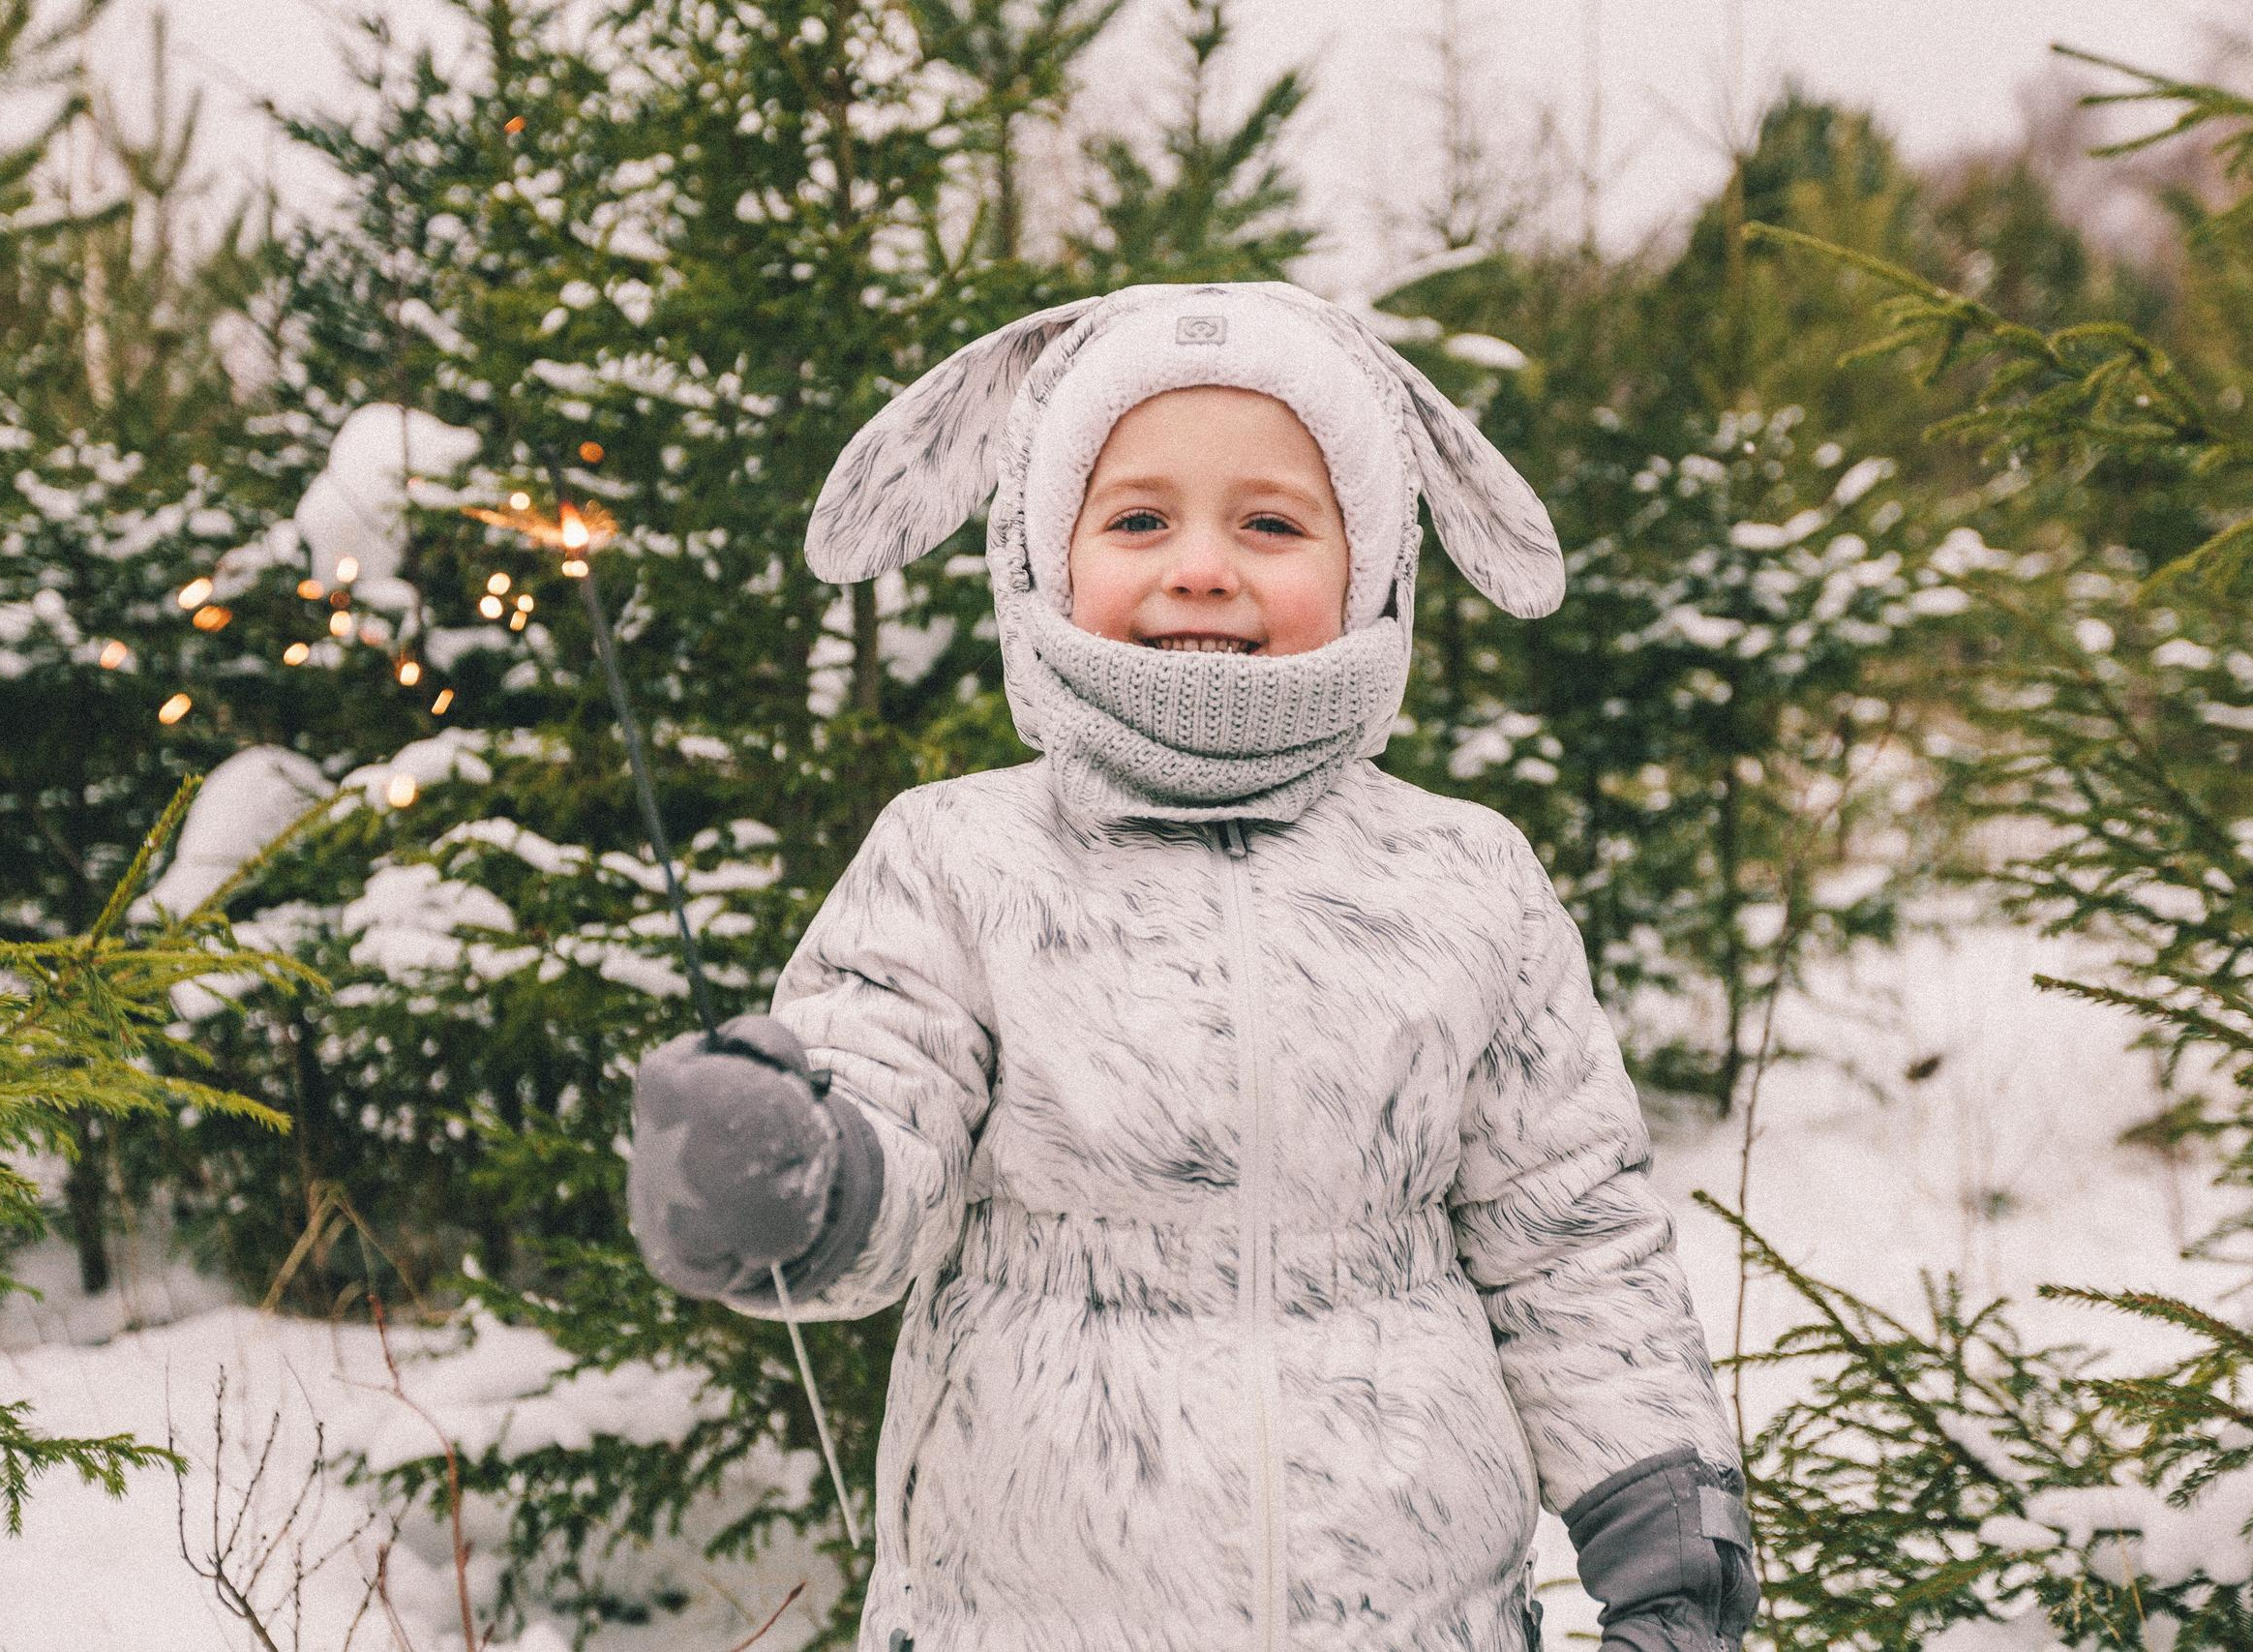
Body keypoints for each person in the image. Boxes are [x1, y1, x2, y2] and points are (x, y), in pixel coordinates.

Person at [625, 281, 1762, 1652]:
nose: (1203, 566)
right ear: (1045, 556)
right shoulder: (958, 857)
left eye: (1272, 523)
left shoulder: (1468, 879)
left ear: (1373, 562)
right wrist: (799, 1172)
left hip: (1413, 1621)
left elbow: (1572, 1240)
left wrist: (1664, 1538)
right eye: (1140, 520)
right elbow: (890, 1106)